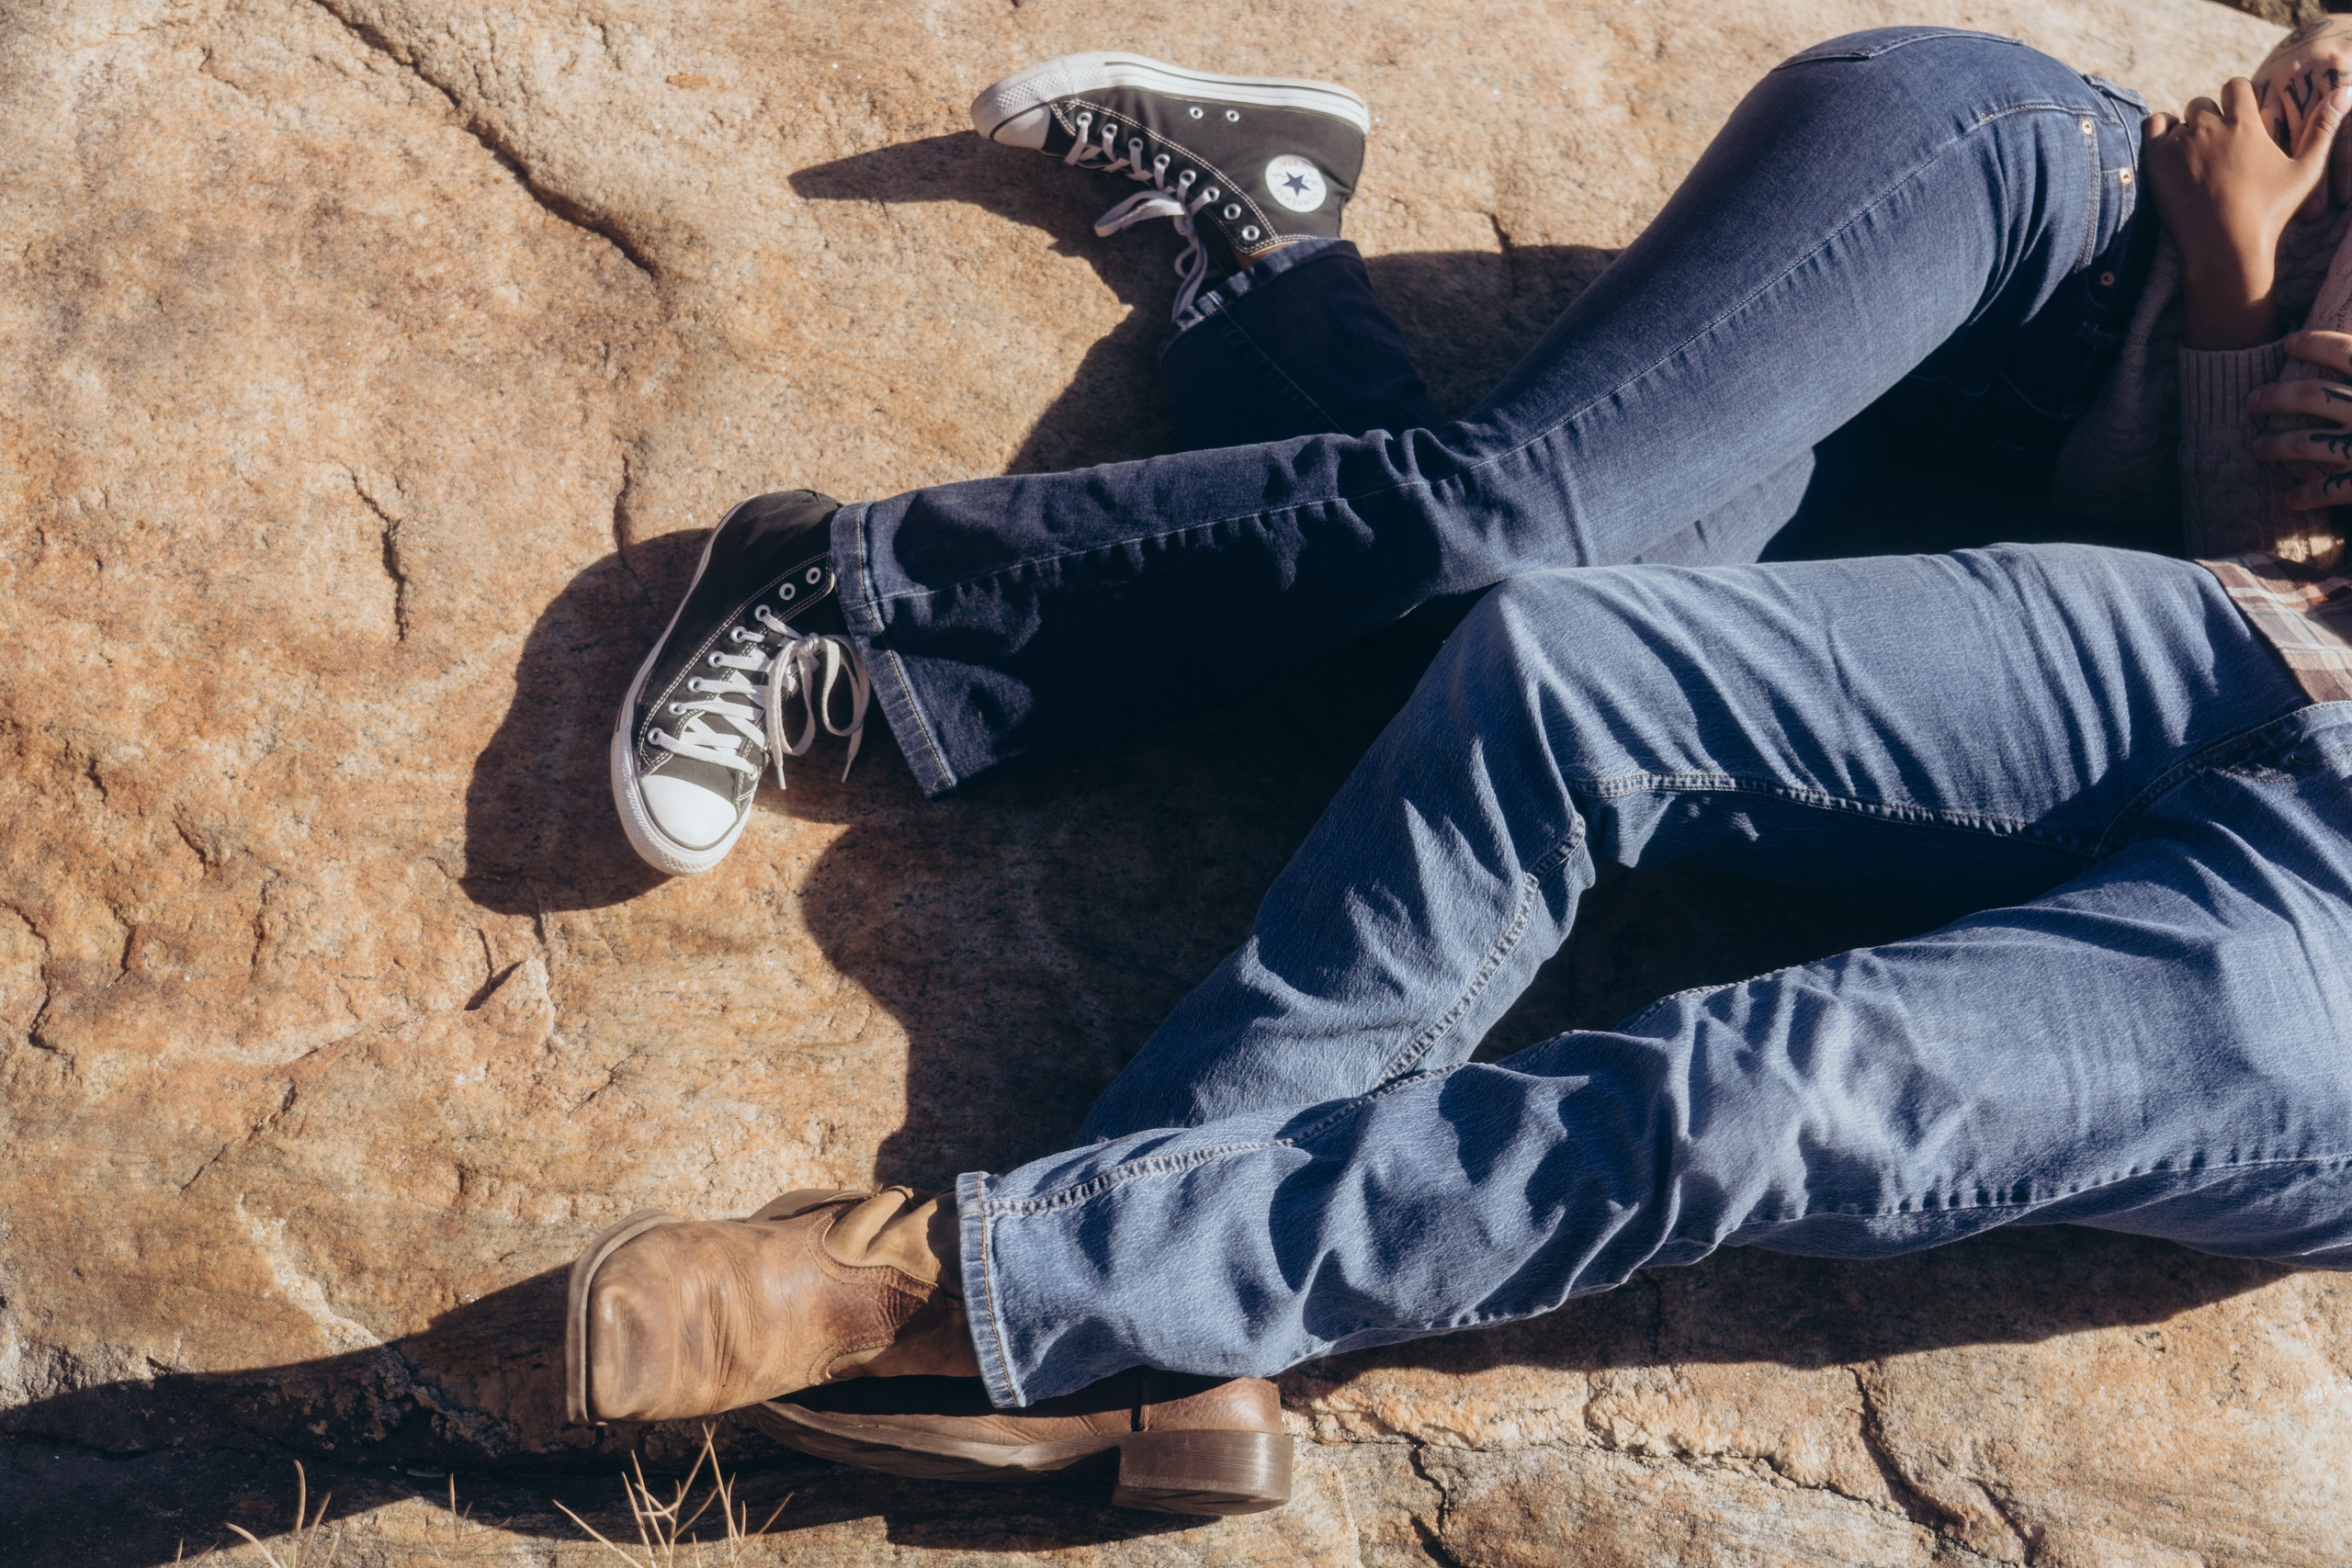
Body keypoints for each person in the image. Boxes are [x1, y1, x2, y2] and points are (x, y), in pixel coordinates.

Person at [567, 26, 2352, 1519]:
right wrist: (2244, 283)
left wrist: (2241, 323)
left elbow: (2265, 513)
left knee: (1566, 749)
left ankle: (1039, 1291)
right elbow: (2284, 504)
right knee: (1518, 535)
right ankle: (858, 591)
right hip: (2054, 305)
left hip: (2183, 649)